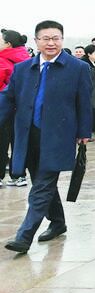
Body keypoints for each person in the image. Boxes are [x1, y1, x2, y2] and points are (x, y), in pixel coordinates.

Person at [0, 21, 92, 254]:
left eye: (55, 38)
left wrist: (84, 132)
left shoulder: (77, 68)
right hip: (28, 135)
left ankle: (24, 236)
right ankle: (58, 222)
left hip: (59, 136)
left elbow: (84, 102)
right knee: (42, 181)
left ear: (62, 39)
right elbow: (8, 98)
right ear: (36, 41)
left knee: (41, 186)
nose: (51, 43)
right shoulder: (23, 69)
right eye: (45, 38)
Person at [1, 29, 31, 188]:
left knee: (1, 142)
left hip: (4, 106)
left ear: (8, 44)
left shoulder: (2, 59)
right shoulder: (27, 58)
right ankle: (19, 175)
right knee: (19, 141)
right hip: (23, 106)